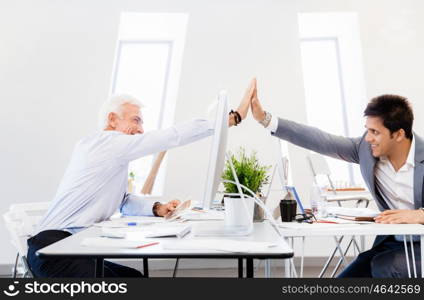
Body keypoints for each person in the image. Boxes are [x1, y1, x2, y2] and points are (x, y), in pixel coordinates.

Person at [27, 81, 255, 277]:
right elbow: (171, 136)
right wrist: (230, 119)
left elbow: (123, 201)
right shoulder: (105, 144)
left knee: (134, 278)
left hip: (76, 247)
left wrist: (157, 208)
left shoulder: (111, 154)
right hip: (53, 249)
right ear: (112, 119)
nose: (141, 129)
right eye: (136, 120)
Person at [249, 78, 424, 278]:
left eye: (375, 132)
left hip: (419, 250)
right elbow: (323, 141)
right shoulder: (366, 150)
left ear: (399, 134)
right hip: (392, 244)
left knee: (386, 268)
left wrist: (420, 215)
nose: (368, 138)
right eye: (367, 130)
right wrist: (266, 119)